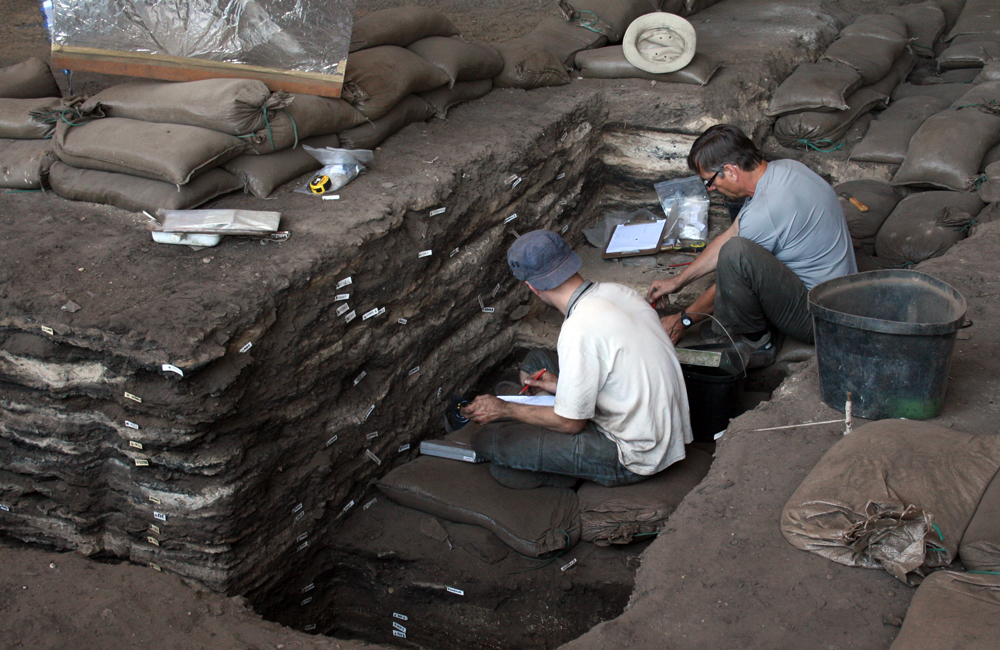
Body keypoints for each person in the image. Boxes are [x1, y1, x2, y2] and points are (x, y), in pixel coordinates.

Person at [462, 229, 692, 489]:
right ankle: (553, 422)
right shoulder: (618, 292)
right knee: (536, 361)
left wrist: (504, 409)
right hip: (666, 427)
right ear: (571, 262)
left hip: (638, 452)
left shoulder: (578, 329)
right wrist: (561, 385)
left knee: (490, 441)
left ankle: (572, 471)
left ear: (531, 286)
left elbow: (570, 424)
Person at [647, 124, 856, 368]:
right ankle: (736, 326)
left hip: (820, 318)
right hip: (838, 295)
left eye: (709, 181)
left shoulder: (767, 209)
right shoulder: (786, 169)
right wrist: (677, 282)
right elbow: (732, 232)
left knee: (736, 255)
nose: (711, 189)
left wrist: (683, 321)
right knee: (735, 247)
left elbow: (731, 276)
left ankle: (757, 343)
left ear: (731, 171)